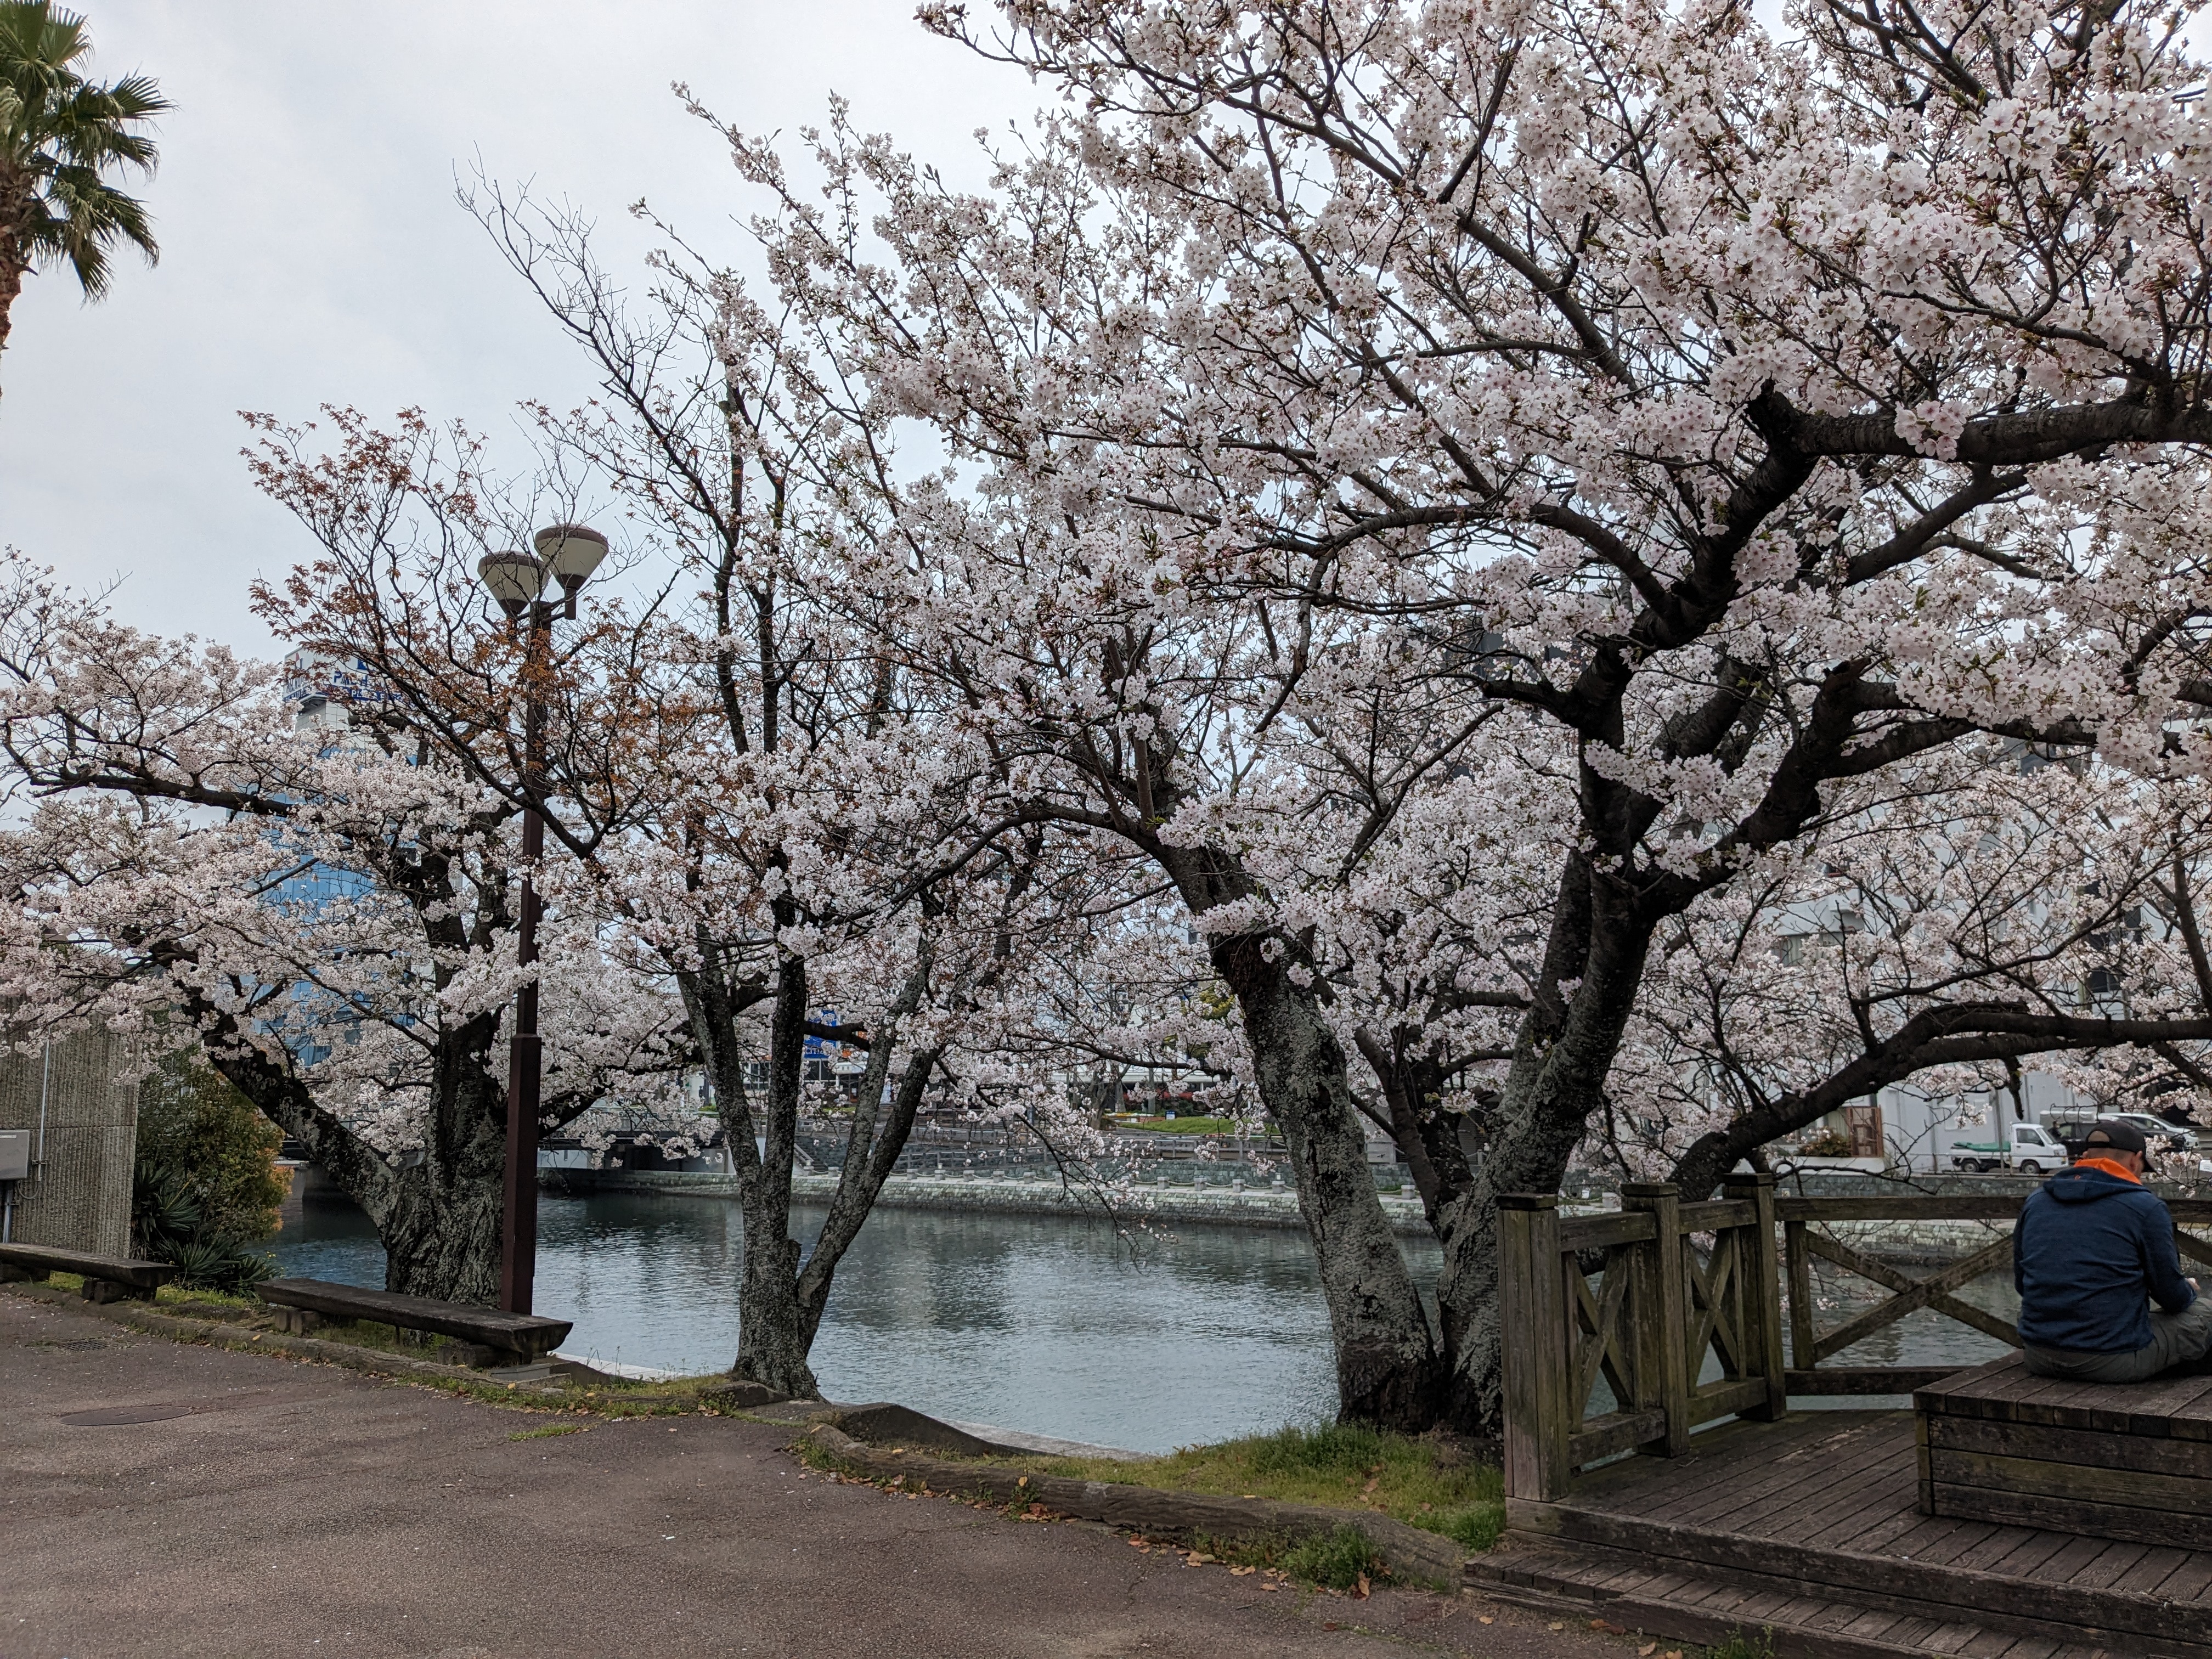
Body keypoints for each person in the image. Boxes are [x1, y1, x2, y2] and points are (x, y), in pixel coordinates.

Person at [2014, 1119, 2212, 1382]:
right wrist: (2187, 1287)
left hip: (2039, 1354)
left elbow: (2022, 1284)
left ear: (2085, 1157)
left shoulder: (2036, 1201)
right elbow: (2172, 1298)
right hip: (2111, 1361)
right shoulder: (2144, 1207)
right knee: (2205, 1313)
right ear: (2135, 1160)